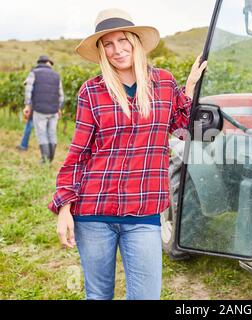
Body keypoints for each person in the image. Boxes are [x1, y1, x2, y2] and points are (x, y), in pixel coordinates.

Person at [48, 8, 207, 300]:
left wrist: (190, 88)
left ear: (135, 41)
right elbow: (79, 153)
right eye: (107, 44)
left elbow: (183, 128)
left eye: (122, 40)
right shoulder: (91, 92)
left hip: (144, 211)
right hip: (94, 211)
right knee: (98, 295)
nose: (116, 49)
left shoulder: (163, 83)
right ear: (101, 50)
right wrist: (64, 208)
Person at [23, 55, 64, 162]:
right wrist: (59, 107)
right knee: (52, 133)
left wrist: (27, 105)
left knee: (42, 133)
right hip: (54, 110)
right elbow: (61, 94)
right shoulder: (56, 75)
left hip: (39, 109)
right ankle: (50, 159)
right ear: (47, 63)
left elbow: (28, 90)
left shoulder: (34, 73)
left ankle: (45, 160)